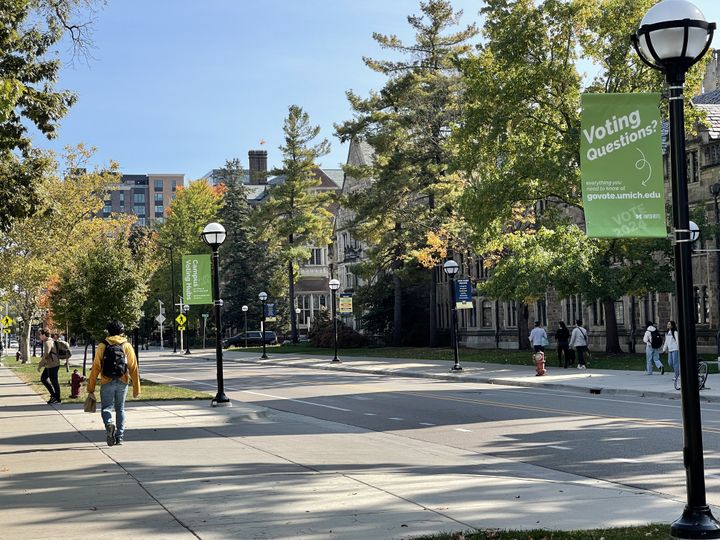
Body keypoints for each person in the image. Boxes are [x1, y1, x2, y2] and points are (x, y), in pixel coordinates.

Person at [86, 320, 141, 446]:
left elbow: (96, 367)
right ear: (121, 331)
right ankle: (120, 437)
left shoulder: (102, 345)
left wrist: (91, 387)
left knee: (106, 407)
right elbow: (133, 366)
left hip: (106, 380)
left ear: (108, 331)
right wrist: (136, 387)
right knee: (120, 408)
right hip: (123, 380)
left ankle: (109, 424)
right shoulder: (126, 345)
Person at [36, 329, 61, 404]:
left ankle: (57, 398)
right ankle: (53, 395)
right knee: (43, 378)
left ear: (44, 335)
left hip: (53, 365)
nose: (39, 336)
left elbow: (46, 354)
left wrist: (40, 365)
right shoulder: (49, 341)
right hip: (49, 365)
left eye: (40, 335)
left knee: (54, 382)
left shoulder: (48, 342)